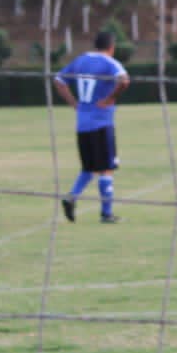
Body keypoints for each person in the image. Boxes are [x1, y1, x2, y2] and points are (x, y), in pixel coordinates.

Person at [54, 32, 131, 223]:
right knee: (106, 168)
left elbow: (58, 80)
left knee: (88, 168)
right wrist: (110, 99)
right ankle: (106, 213)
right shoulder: (109, 62)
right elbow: (124, 80)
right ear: (111, 47)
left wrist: (73, 103)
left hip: (82, 123)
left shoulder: (80, 61)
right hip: (101, 122)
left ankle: (71, 196)